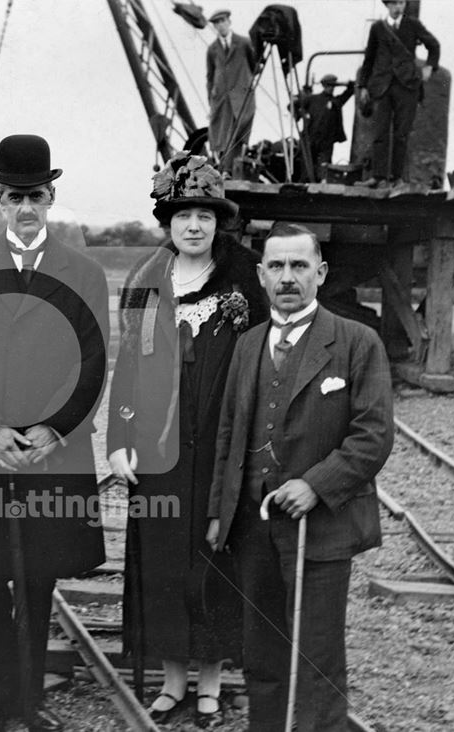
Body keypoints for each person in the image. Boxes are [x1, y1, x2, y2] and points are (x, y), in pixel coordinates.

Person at [0, 134, 109, 732]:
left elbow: (91, 360)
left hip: (51, 453)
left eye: (35, 194)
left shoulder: (83, 273)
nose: (25, 206)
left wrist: (52, 430)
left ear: (51, 196)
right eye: (14, 196)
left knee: (39, 574)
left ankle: (29, 703)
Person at [207, 222, 395, 731]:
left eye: (299, 266)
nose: (288, 277)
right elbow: (229, 432)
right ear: (262, 275)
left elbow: (373, 435)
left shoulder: (357, 342)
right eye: (277, 267)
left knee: (315, 655)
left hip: (322, 530)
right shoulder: (248, 345)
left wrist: (316, 484)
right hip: (252, 528)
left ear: (321, 272)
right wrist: (217, 514)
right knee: (262, 653)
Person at [107, 153, 268, 726]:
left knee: (217, 556)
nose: (193, 226)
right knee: (163, 560)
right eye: (182, 215)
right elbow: (126, 363)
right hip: (159, 451)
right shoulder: (146, 280)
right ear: (166, 222)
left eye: (204, 214)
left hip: (225, 450)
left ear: (218, 221)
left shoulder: (248, 277)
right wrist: (120, 436)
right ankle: (172, 681)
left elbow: (266, 360)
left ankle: (211, 681)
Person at [357, 0, 440, 187]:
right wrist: (363, 86)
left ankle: (397, 178)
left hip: (406, 86)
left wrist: (429, 67)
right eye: (394, 3)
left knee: (401, 134)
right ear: (387, 5)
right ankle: (378, 177)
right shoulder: (378, 28)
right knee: (380, 133)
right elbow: (369, 58)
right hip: (382, 87)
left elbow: (434, 46)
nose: (398, 7)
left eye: (401, 3)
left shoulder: (413, 25)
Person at [206, 9, 257, 176]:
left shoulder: (243, 43)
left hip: (242, 97)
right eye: (216, 23)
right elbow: (210, 77)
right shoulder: (212, 49)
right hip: (222, 99)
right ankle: (225, 170)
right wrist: (212, 101)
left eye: (222, 22)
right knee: (222, 135)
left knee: (238, 134)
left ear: (229, 22)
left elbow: (254, 65)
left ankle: (229, 169)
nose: (220, 26)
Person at [295, 74, 355, 181]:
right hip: (310, 139)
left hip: (326, 142)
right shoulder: (312, 99)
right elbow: (293, 105)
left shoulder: (336, 102)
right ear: (324, 86)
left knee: (324, 171)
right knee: (306, 171)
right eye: (328, 85)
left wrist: (348, 84)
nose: (330, 88)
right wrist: (300, 115)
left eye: (332, 86)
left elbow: (350, 91)